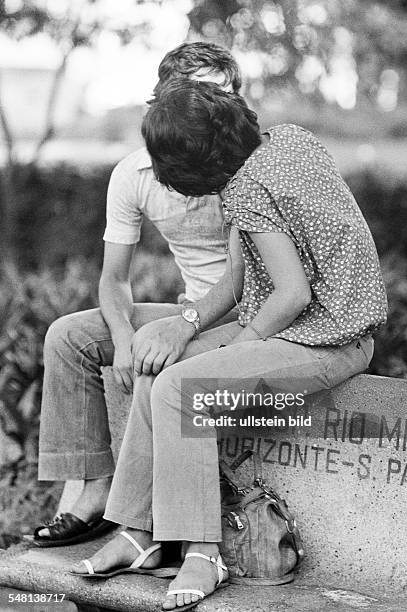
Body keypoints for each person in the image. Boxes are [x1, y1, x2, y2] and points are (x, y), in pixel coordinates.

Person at [71, 79, 388, 611]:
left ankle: (203, 552)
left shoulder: (247, 189)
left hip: (329, 342)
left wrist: (234, 347)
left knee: (180, 388)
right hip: (302, 329)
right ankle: (139, 531)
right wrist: (190, 325)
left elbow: (291, 292)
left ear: (192, 168)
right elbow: (243, 280)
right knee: (158, 371)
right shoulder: (289, 140)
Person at [33, 43, 242, 546]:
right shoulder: (134, 174)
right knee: (68, 336)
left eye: (226, 95)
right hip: (192, 311)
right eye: (202, 96)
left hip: (247, 317)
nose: (217, 109)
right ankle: (95, 487)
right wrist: (124, 336)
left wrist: (181, 325)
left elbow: (241, 280)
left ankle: (145, 526)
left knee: (160, 360)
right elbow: (114, 279)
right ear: (166, 101)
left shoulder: (244, 165)